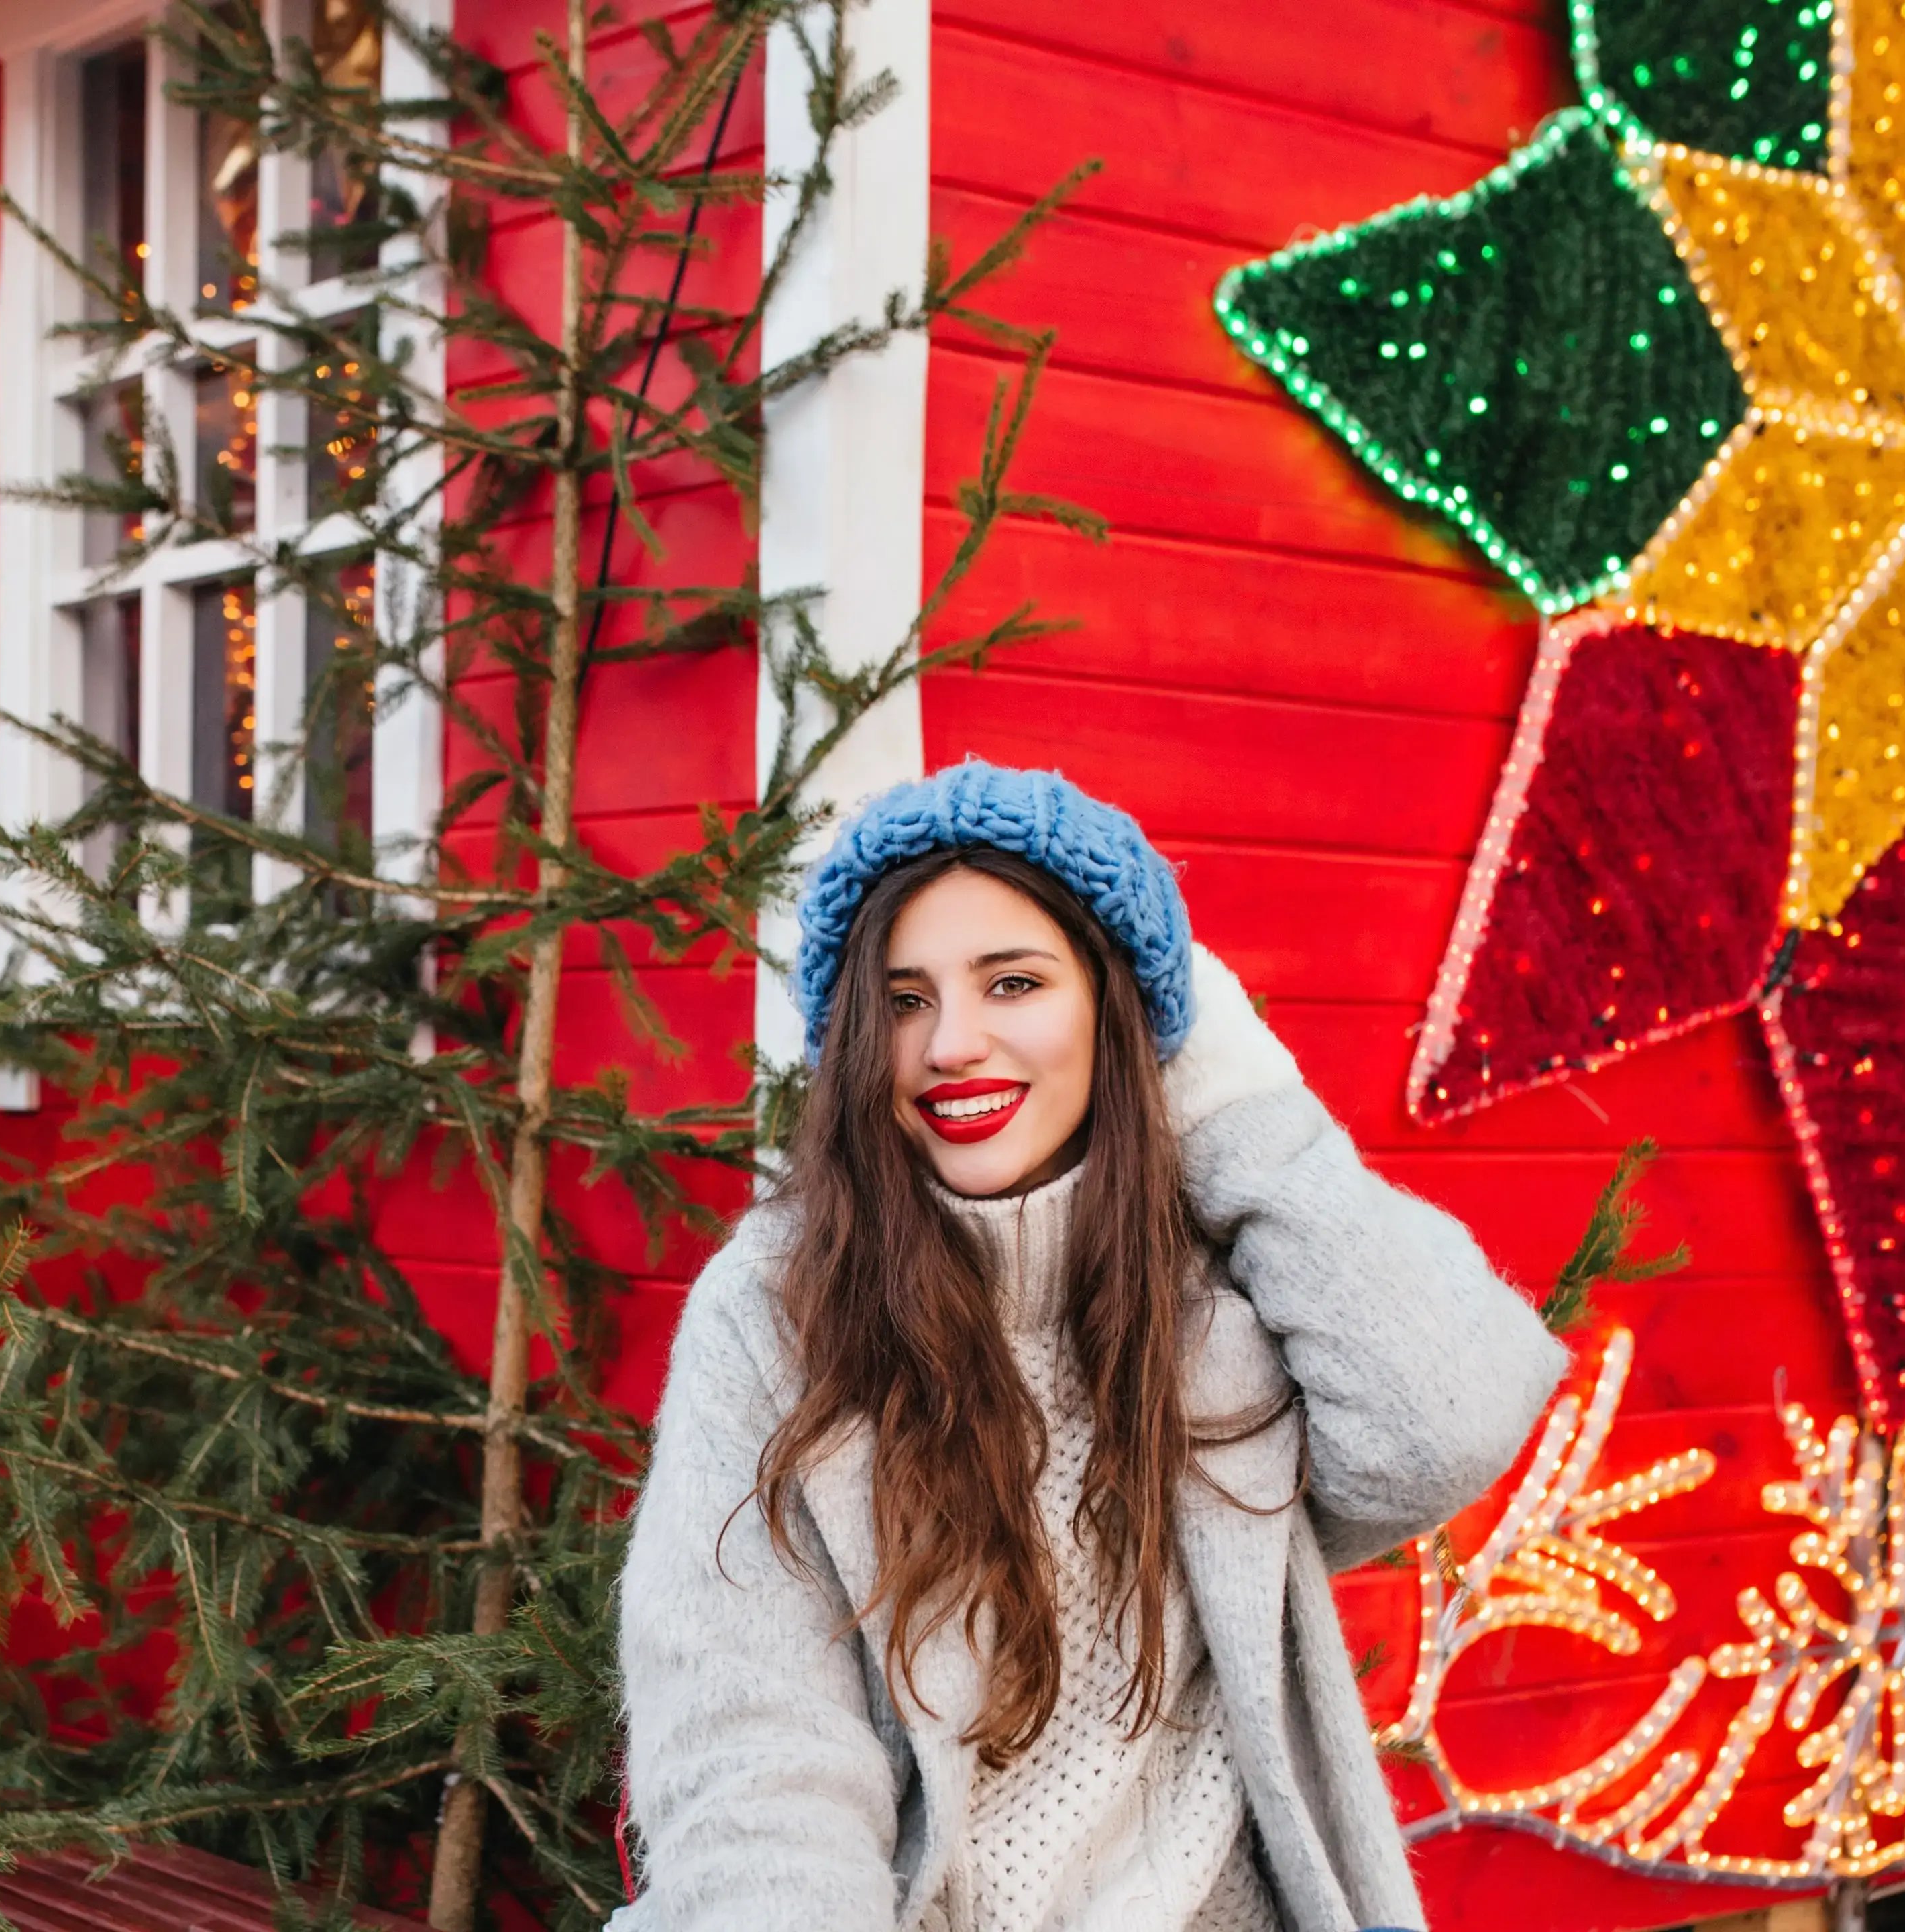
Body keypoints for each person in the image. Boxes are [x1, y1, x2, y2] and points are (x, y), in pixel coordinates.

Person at [612, 763, 1565, 1932]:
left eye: (1013, 983)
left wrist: (1225, 1088)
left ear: (1112, 1013)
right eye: (904, 1001)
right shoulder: (775, 1313)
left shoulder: (1217, 1294)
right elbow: (758, 1776)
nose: (952, 1043)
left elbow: (1445, 1424)